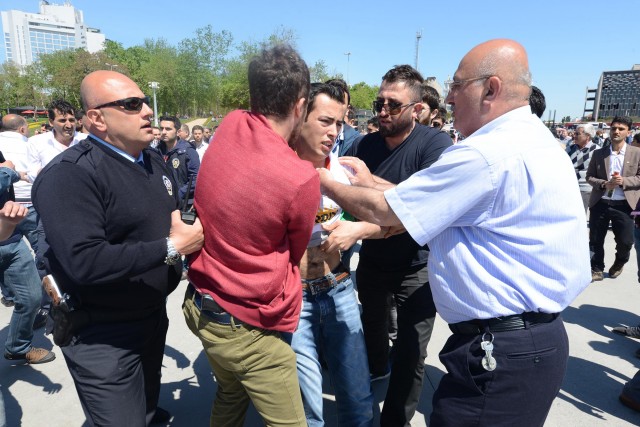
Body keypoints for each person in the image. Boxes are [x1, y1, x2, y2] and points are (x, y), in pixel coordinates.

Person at [319, 39, 590, 426]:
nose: (447, 97)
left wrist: (323, 182)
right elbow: (431, 200)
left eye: (457, 85)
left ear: (491, 88)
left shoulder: (485, 154)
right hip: (528, 342)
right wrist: (370, 182)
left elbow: (389, 211)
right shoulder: (533, 141)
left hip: (501, 350)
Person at [31, 70, 204, 426]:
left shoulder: (151, 159)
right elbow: (85, 261)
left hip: (150, 313)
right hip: (102, 332)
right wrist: (172, 246)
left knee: (147, 402)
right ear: (97, 118)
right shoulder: (69, 175)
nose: (147, 112)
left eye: (144, 102)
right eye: (132, 104)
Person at [183, 44, 318, 426]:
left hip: (201, 305)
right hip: (247, 329)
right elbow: (294, 251)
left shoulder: (231, 124)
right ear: (300, 105)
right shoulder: (300, 178)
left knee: (230, 394)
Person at [344, 64, 452, 426]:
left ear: (417, 109)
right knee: (372, 329)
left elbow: (426, 206)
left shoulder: (434, 144)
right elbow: (353, 202)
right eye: (380, 103)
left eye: (393, 104)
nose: (383, 111)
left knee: (411, 352)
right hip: (373, 260)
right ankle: (377, 370)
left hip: (417, 267)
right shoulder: (365, 145)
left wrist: (368, 183)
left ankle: (396, 421)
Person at [290, 82, 374, 426]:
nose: (334, 131)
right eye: (325, 121)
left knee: (358, 396)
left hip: (338, 288)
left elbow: (389, 219)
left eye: (339, 123)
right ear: (299, 116)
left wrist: (358, 229)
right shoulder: (275, 171)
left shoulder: (346, 171)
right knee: (307, 405)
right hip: (293, 298)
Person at [0, 158, 54, 364]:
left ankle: (18, 347)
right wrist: (9, 173)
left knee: (31, 297)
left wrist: (18, 174)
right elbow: (6, 169)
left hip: (11, 238)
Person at [586, 116, 640, 281]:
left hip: (625, 205)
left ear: (628, 132)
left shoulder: (637, 153)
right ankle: (596, 268)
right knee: (595, 239)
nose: (616, 131)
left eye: (621, 129)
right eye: (614, 128)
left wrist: (624, 181)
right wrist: (604, 184)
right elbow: (589, 177)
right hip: (601, 202)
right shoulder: (599, 153)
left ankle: (620, 262)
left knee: (626, 241)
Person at [156, 115, 200, 209]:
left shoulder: (188, 151)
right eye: (161, 128)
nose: (163, 132)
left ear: (178, 132)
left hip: (183, 204)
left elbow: (195, 179)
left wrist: (178, 194)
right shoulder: (157, 151)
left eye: (168, 129)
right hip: (162, 203)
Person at [566, 123, 599, 214]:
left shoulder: (597, 150)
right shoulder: (570, 149)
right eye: (574, 133)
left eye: (577, 134)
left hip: (584, 189)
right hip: (568, 187)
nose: (574, 135)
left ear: (587, 136)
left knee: (579, 214)